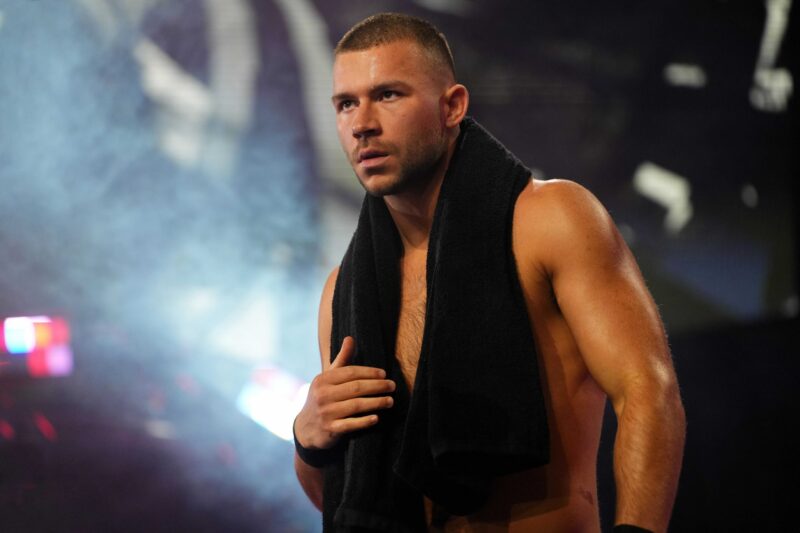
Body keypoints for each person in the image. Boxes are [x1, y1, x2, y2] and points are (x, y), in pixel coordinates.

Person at [293, 12, 685, 533]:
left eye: (387, 95)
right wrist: (307, 438)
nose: (361, 123)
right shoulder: (342, 292)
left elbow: (647, 393)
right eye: (346, 103)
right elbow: (342, 497)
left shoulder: (551, 220)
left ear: (452, 106)